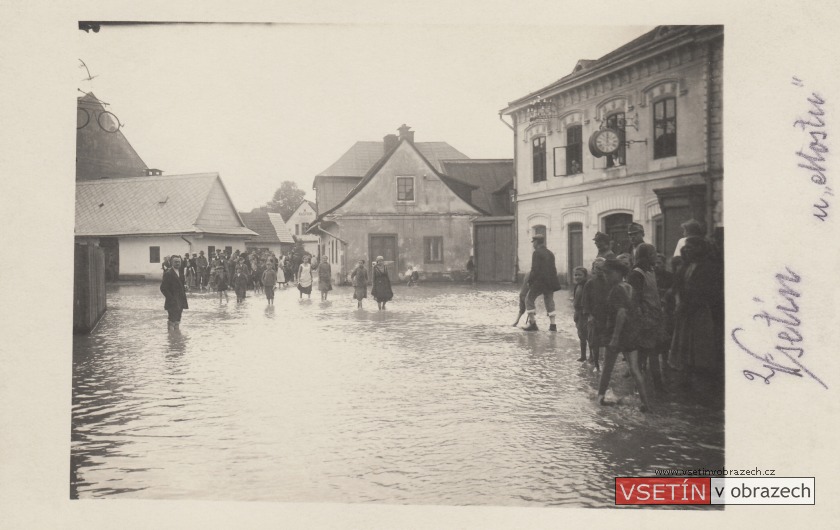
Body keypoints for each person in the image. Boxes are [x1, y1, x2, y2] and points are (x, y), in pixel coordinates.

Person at [596, 259, 651, 412]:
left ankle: (599, 399)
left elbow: (621, 313)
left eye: (608, 273)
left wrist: (614, 337)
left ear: (618, 273)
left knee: (607, 367)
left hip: (618, 333)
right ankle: (646, 404)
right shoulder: (629, 287)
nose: (606, 277)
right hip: (631, 333)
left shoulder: (615, 290)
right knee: (634, 369)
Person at [669, 236, 719, 376]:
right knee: (684, 342)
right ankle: (687, 372)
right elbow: (677, 286)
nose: (687, 250)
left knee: (699, 342)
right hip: (685, 311)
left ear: (699, 248)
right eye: (687, 247)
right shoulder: (685, 266)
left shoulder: (708, 267)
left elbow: (707, 291)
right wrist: (679, 301)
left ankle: (700, 372)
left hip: (699, 310)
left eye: (691, 247)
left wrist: (688, 304)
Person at [627, 243, 666, 394]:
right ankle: (639, 389)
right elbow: (634, 299)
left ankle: (657, 387)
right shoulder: (636, 274)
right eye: (653, 253)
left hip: (654, 318)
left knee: (653, 353)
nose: (656, 256)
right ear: (647, 256)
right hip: (644, 320)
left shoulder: (650, 272)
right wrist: (640, 319)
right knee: (643, 355)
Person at [522, 234, 561, 331]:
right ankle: (553, 325)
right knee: (549, 301)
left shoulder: (536, 253)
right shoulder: (550, 253)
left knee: (529, 299)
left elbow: (535, 269)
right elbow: (553, 269)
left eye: (533, 243)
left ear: (536, 242)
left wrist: (530, 281)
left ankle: (533, 323)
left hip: (539, 282)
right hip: (550, 282)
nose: (533, 245)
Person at [582, 257, 609, 370]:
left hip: (606, 316)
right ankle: (596, 362)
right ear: (593, 269)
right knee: (594, 340)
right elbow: (585, 300)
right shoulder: (590, 283)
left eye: (603, 268)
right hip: (594, 316)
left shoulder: (609, 282)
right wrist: (589, 315)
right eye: (597, 268)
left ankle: (607, 364)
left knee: (607, 340)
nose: (600, 271)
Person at [160, 255, 188, 332]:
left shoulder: (181, 273)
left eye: (179, 262)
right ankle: (171, 338)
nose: (177, 263)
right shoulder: (168, 273)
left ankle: (177, 338)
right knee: (172, 320)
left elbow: (182, 285)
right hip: (172, 301)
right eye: (176, 262)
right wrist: (171, 299)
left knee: (178, 320)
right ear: (172, 262)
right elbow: (163, 288)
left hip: (181, 300)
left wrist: (185, 287)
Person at [571, 266, 589, 362]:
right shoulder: (577, 286)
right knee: (581, 334)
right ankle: (583, 356)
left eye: (580, 275)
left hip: (584, 313)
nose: (577, 277)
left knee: (588, 335)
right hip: (578, 313)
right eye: (575, 275)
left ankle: (592, 356)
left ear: (585, 276)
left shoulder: (587, 285)